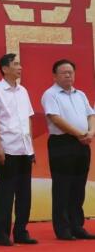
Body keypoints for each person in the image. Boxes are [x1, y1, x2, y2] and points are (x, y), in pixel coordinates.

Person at [41, 59, 95, 240]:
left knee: (78, 187)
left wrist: (90, 132)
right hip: (62, 144)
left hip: (82, 143)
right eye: (63, 72)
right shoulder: (50, 94)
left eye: (70, 72)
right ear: (55, 76)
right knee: (62, 187)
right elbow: (56, 119)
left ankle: (77, 226)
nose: (68, 75)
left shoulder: (81, 95)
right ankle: (62, 228)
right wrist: (79, 134)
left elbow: (91, 114)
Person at [0, 54, 37, 246]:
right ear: (4, 68)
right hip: (7, 147)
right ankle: (1, 234)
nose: (20, 67)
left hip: (24, 148)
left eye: (20, 64)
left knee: (25, 193)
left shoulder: (23, 91)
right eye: (15, 64)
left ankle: (21, 232)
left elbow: (28, 118)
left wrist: (31, 146)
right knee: (6, 193)